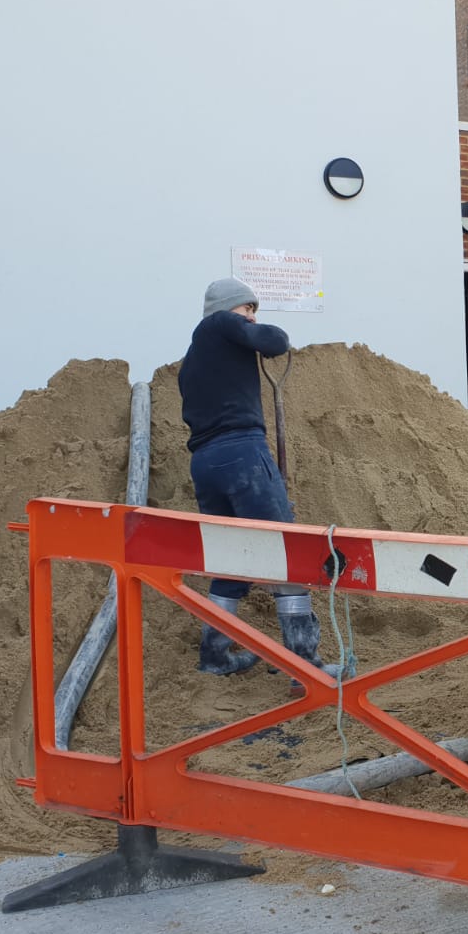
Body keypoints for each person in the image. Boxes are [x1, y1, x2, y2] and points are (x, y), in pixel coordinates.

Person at [178, 278, 327, 675]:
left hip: (205, 463)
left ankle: (214, 657)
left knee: (230, 562)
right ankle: (304, 664)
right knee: (288, 551)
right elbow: (275, 341)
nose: (252, 316)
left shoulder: (192, 361)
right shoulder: (216, 325)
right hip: (241, 453)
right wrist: (255, 328)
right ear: (228, 309)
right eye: (247, 309)